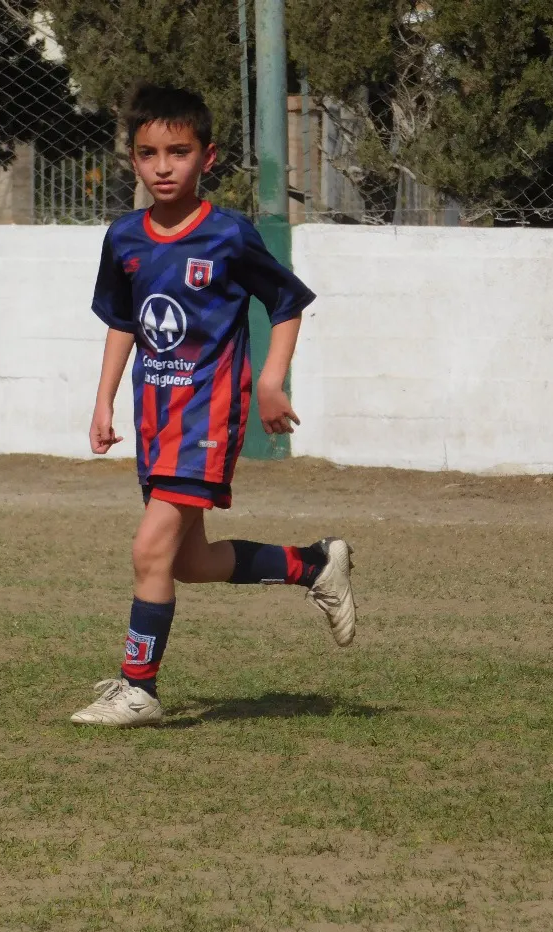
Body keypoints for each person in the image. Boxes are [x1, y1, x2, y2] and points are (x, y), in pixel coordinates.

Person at [72, 84, 356, 728]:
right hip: (156, 417)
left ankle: (138, 688)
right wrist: (103, 401)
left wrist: (271, 381)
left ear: (208, 156)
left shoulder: (228, 234)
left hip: (206, 417)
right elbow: (123, 321)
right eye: (148, 154)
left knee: (149, 550)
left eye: (179, 152)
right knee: (188, 562)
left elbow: (286, 304)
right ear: (133, 160)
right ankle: (314, 564)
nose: (163, 166)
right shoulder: (124, 238)